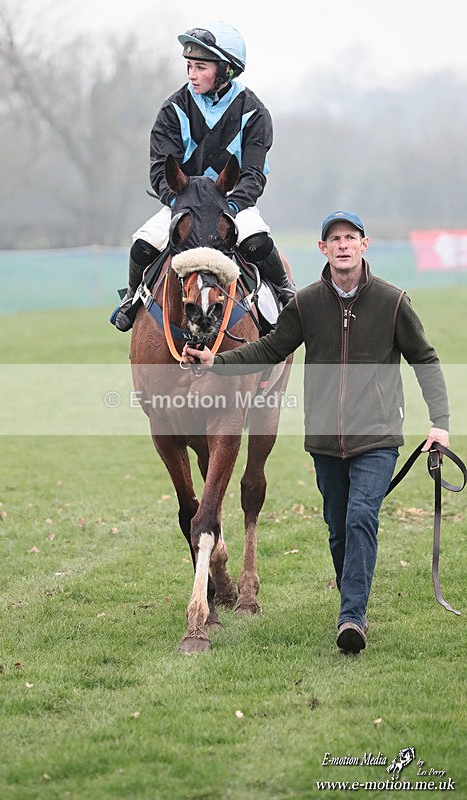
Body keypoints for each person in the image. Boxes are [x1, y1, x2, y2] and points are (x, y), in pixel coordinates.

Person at [182, 210, 450, 654]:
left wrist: (439, 424)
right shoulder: (306, 304)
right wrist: (216, 363)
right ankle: (353, 602)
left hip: (377, 437)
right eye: (334, 239)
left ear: (365, 245)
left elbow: (426, 360)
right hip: (325, 441)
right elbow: (269, 349)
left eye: (351, 238)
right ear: (323, 250)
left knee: (362, 519)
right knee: (338, 528)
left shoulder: (392, 301)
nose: (343, 245)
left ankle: (352, 618)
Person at [112, 20, 293, 332]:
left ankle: (286, 294)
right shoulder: (173, 109)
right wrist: (179, 202)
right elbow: (160, 170)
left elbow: (252, 175)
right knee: (143, 245)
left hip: (232, 204)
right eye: (190, 66)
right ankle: (132, 296)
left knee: (258, 243)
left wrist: (231, 208)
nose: (192, 74)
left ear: (225, 70)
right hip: (183, 205)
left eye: (201, 67)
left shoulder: (255, 112)